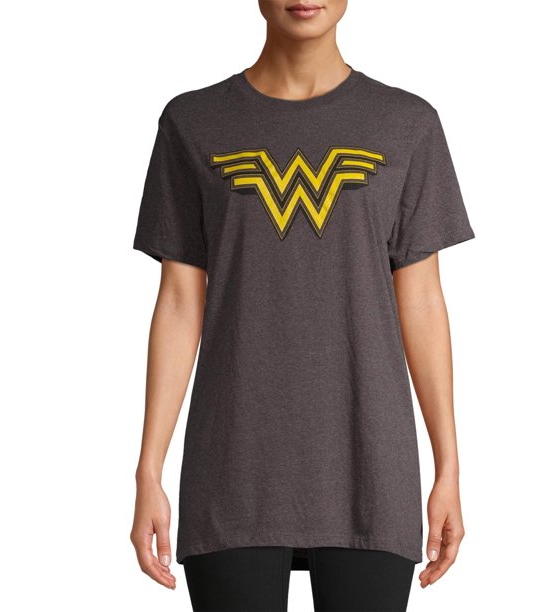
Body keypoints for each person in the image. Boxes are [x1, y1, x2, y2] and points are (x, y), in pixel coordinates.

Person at [129, 1, 475, 610]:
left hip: (371, 462)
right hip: (231, 463)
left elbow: (422, 302)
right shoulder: (193, 121)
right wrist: (148, 470)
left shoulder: (406, 122)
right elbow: (180, 302)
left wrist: (448, 467)